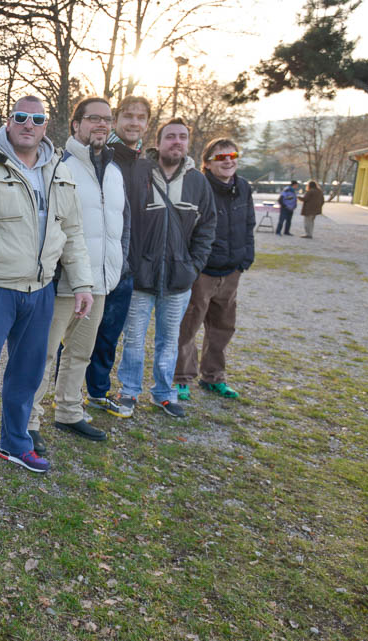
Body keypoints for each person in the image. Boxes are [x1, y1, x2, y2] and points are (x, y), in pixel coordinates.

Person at [0, 96, 93, 493]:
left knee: (28, 374)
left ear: (45, 125)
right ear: (8, 121)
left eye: (36, 118)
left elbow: (72, 233)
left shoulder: (60, 170)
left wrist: (82, 283)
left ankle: (15, 444)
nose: (28, 124)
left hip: (41, 291)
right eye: (21, 117)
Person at [27, 96, 126, 444]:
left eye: (107, 119)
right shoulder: (59, 166)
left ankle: (69, 412)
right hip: (62, 282)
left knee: (80, 352)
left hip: (99, 282)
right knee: (43, 354)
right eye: (93, 118)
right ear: (76, 125)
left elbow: (121, 225)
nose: (101, 125)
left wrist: (118, 264)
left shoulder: (114, 171)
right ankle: (29, 421)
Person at [115, 117, 216, 419]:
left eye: (182, 137)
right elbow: (122, 217)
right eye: (170, 136)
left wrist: (193, 266)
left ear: (188, 143)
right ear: (157, 143)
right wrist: (128, 263)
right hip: (140, 277)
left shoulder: (198, 182)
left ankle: (163, 394)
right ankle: (129, 391)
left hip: (178, 280)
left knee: (169, 341)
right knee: (133, 340)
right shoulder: (139, 172)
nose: (177, 142)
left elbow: (207, 227)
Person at [174, 138, 255, 402]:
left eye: (232, 155)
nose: (228, 161)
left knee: (222, 327)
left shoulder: (243, 187)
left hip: (231, 270)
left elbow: (249, 224)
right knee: (189, 326)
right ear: (207, 163)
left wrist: (245, 259)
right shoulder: (198, 185)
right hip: (203, 271)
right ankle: (182, 378)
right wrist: (193, 265)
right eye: (220, 157)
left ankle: (213, 377)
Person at [84, 95, 150, 418]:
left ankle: (97, 393)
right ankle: (66, 395)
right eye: (128, 116)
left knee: (109, 337)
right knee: (79, 337)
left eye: (141, 117)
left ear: (147, 124)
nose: (134, 122)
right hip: (94, 265)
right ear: (116, 120)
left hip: (125, 268)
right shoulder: (101, 156)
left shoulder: (146, 165)